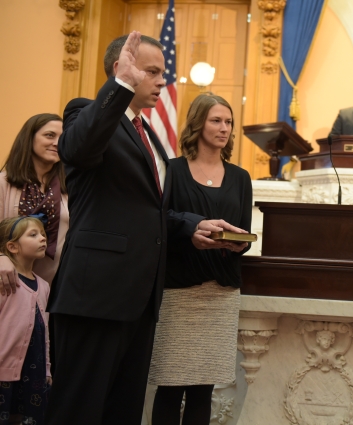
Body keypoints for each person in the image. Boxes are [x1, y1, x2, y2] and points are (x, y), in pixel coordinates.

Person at [45, 32, 245, 425]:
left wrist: (192, 225)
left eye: (162, 73)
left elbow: (152, 210)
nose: (161, 82)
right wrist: (119, 86)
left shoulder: (150, 134)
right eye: (151, 72)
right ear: (122, 68)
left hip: (140, 300)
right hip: (96, 295)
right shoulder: (84, 112)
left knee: (123, 412)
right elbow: (78, 148)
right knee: (78, 410)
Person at [149, 94, 252, 424]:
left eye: (229, 122)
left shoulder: (240, 177)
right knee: (169, 386)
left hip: (220, 294)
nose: (224, 128)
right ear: (197, 124)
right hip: (179, 292)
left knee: (203, 389)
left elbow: (245, 231)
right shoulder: (173, 170)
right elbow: (157, 222)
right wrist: (190, 230)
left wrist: (239, 244)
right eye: (216, 120)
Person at [0, 113, 68, 293]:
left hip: (52, 291)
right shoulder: (3, 183)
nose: (57, 143)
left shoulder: (69, 190)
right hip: (7, 287)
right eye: (49, 135)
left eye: (63, 138)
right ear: (29, 139)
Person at [0, 216, 51, 425]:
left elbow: (45, 331)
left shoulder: (44, 286)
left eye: (43, 235)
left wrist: (47, 369)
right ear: (12, 246)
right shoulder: (4, 282)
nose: (43, 239)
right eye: (33, 235)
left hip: (34, 372)